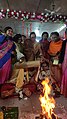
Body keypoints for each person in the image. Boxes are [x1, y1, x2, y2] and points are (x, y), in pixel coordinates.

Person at [59, 29, 67, 98]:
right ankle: (65, 91)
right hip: (65, 61)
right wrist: (60, 62)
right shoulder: (64, 42)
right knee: (65, 76)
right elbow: (62, 53)